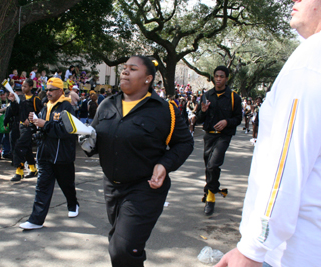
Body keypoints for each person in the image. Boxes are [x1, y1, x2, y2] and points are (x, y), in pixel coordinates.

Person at [215, 1, 321, 266]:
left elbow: (287, 162)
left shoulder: (310, 59)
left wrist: (253, 248)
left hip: (294, 251)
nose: (294, 1)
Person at [80, 55, 193, 267]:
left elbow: (185, 143)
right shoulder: (106, 105)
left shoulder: (164, 110)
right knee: (121, 246)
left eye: (132, 69)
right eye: (124, 68)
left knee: (122, 248)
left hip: (145, 188)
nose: (125, 72)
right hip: (112, 187)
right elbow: (94, 140)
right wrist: (87, 141)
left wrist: (165, 164)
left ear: (148, 78)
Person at [19, 77, 79, 230]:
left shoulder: (66, 107)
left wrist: (44, 124)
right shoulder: (45, 105)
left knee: (67, 185)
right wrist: (34, 121)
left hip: (62, 156)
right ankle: (36, 220)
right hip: (45, 153)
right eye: (47, 89)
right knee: (42, 186)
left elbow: (67, 130)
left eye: (52, 89)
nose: (48, 92)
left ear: (60, 91)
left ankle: (73, 204)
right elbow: (41, 128)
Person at [196, 66, 242, 216]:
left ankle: (211, 196)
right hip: (208, 135)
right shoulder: (207, 95)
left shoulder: (234, 97)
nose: (218, 79)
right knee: (208, 166)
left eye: (221, 76)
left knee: (213, 164)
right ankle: (211, 188)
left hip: (223, 136)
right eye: (216, 76)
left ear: (226, 78)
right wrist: (202, 111)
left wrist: (226, 122)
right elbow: (199, 118)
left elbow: (238, 119)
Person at [8, 78, 43, 181]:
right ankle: (33, 169)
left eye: (25, 86)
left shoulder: (35, 99)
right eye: (22, 86)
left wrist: (30, 119)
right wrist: (13, 102)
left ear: (31, 87)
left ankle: (19, 172)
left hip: (30, 128)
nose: (23, 88)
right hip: (20, 126)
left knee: (19, 147)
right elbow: (14, 112)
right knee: (27, 149)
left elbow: (41, 113)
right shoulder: (20, 98)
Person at [0, 89, 11, 160]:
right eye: (1, 95)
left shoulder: (9, 101)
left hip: (7, 122)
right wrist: (2, 112)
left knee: (7, 138)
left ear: (6, 94)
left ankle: (6, 152)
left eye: (3, 94)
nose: (2, 96)